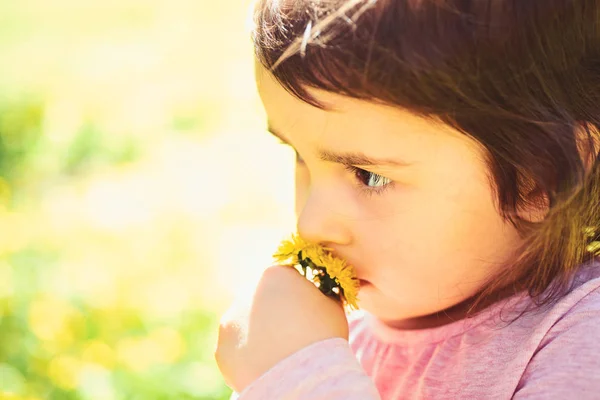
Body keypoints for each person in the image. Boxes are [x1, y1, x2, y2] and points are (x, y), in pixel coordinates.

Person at [215, 0, 600, 398]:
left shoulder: (582, 343)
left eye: (371, 176)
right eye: (300, 156)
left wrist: (302, 380)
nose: (310, 224)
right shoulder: (342, 331)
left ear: (536, 178)